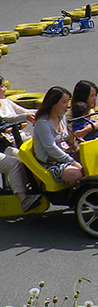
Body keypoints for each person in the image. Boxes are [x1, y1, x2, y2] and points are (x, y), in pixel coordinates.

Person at [0, 80, 43, 212]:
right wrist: (20, 120)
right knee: (14, 164)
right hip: (5, 143)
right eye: (1, 87)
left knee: (28, 157)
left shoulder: (6, 102)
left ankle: (28, 185)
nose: (4, 89)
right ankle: (23, 200)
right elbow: (8, 120)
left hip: (9, 141)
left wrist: (47, 110)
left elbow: (24, 112)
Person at [32, 86, 83, 186]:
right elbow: (51, 148)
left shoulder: (62, 117)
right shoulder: (43, 123)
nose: (67, 106)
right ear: (53, 103)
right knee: (76, 174)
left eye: (68, 102)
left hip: (65, 157)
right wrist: (73, 162)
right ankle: (74, 199)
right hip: (50, 163)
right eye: (64, 102)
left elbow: (68, 139)